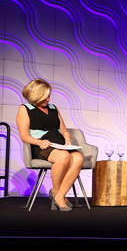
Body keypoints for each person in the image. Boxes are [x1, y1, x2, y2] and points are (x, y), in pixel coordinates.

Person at [16, 78, 83, 211]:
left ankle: (59, 195)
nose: (48, 100)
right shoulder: (25, 109)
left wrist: (68, 139)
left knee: (78, 157)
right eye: (45, 97)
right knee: (63, 157)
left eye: (49, 96)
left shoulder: (53, 108)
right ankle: (58, 196)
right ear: (36, 96)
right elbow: (24, 136)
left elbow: (64, 130)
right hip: (41, 146)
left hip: (59, 145)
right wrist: (38, 142)